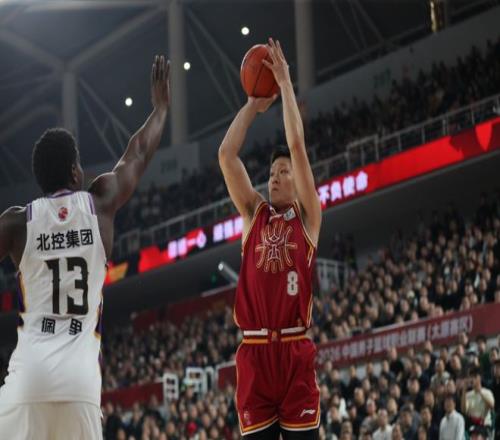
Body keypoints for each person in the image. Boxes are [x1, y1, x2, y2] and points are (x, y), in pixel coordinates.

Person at [0, 55, 170, 439]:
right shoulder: (100, 204)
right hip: (80, 386)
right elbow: (138, 152)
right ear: (75, 171)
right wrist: (160, 109)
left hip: (28, 381)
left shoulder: (16, 224)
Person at [218, 38, 322, 438]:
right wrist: (251, 106)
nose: (274, 178)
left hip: (295, 352)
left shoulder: (308, 217)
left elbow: (296, 144)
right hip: (255, 353)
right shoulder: (253, 213)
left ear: (297, 180)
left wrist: (285, 84)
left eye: (283, 172)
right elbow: (227, 156)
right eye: (272, 173)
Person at [462, 367, 495, 433]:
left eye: (474, 377)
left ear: (479, 378)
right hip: (472, 425)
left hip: (485, 424)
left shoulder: (487, 392)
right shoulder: (468, 395)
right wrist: (464, 390)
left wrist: (480, 392)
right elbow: (464, 410)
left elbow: (492, 406)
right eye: (470, 377)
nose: (472, 379)